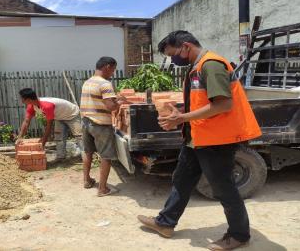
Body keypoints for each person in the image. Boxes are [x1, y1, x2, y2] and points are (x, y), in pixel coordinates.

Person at [136, 31, 262, 250]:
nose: (173, 60)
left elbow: (223, 104)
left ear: (185, 46)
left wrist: (181, 118)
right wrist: (181, 111)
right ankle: (165, 222)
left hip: (217, 141)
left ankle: (239, 235)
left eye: (173, 54)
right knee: (181, 179)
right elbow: (203, 102)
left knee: (224, 188)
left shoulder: (211, 65)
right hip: (197, 137)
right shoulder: (196, 67)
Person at [80, 56, 126, 196]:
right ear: (107, 66)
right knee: (106, 156)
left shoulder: (88, 82)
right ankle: (102, 189)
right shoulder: (105, 84)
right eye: (113, 70)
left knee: (88, 152)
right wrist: (120, 101)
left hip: (86, 121)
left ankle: (87, 181)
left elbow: (97, 100)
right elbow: (111, 107)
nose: (113, 73)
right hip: (100, 125)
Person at [17, 88, 81, 161]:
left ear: (28, 99)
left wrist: (43, 143)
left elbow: (49, 125)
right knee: (59, 138)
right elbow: (26, 121)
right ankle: (61, 158)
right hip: (59, 117)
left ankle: (86, 156)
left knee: (79, 136)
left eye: (22, 99)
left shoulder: (46, 105)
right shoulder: (31, 105)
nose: (21, 100)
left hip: (72, 114)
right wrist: (20, 137)